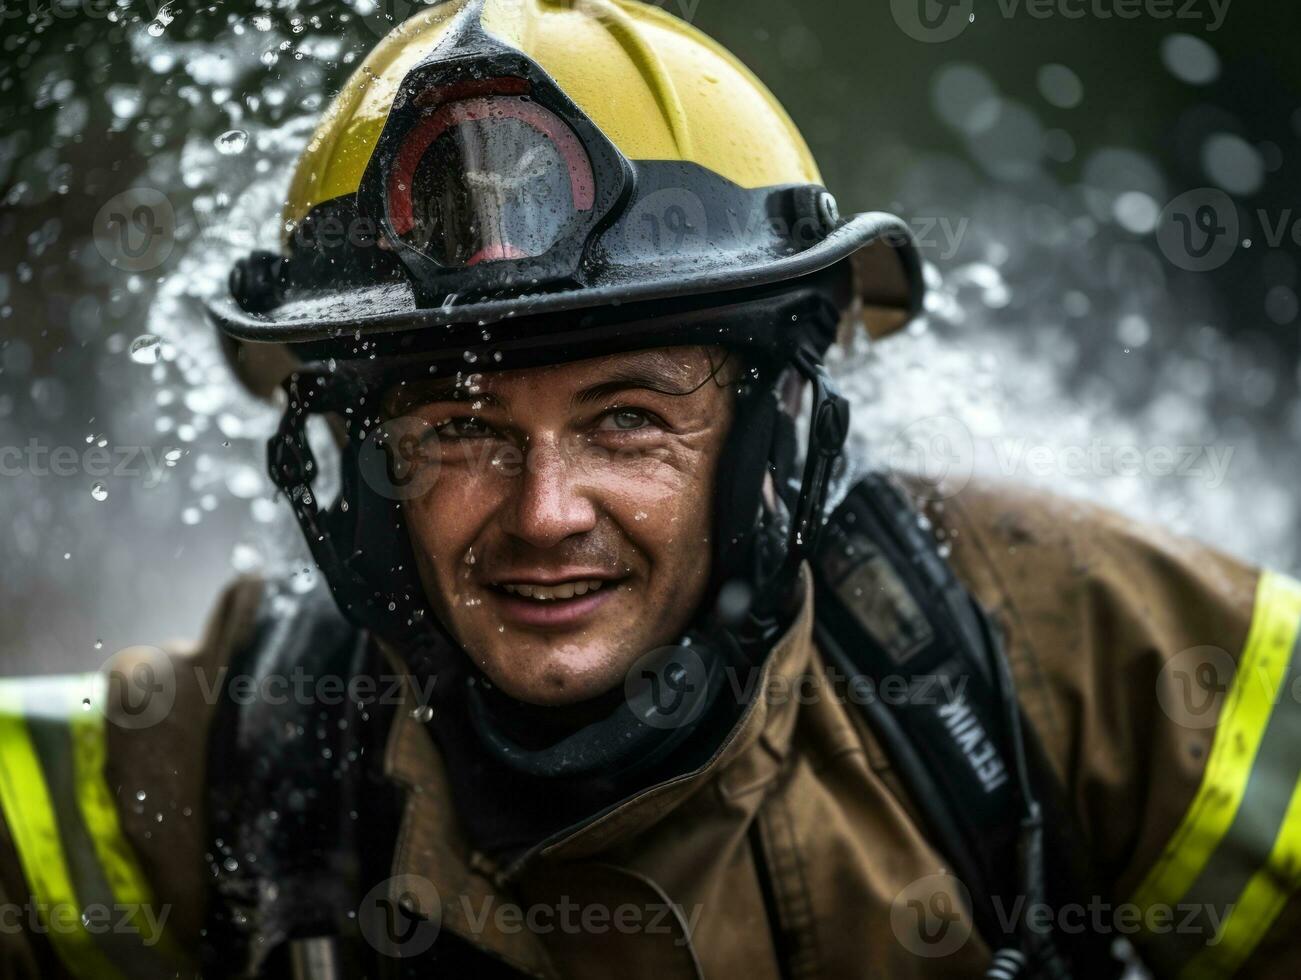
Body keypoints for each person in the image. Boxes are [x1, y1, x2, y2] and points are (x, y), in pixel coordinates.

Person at [2, 1, 1299, 977]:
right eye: (458, 429)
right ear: (360, 470)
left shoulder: (1045, 644)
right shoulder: (249, 743)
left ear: (768, 427)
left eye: (627, 420)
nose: (545, 511)